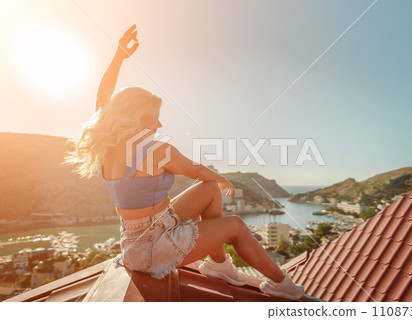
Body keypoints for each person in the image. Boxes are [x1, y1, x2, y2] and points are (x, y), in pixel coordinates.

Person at [65, 25, 304, 300]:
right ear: (137, 116)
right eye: (154, 116)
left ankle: (219, 265)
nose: (159, 123)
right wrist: (223, 178)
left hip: (138, 240)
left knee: (209, 190)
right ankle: (281, 284)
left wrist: (118, 57)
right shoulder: (156, 151)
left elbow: (102, 100)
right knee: (236, 224)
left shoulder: (106, 145)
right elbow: (196, 170)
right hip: (154, 250)